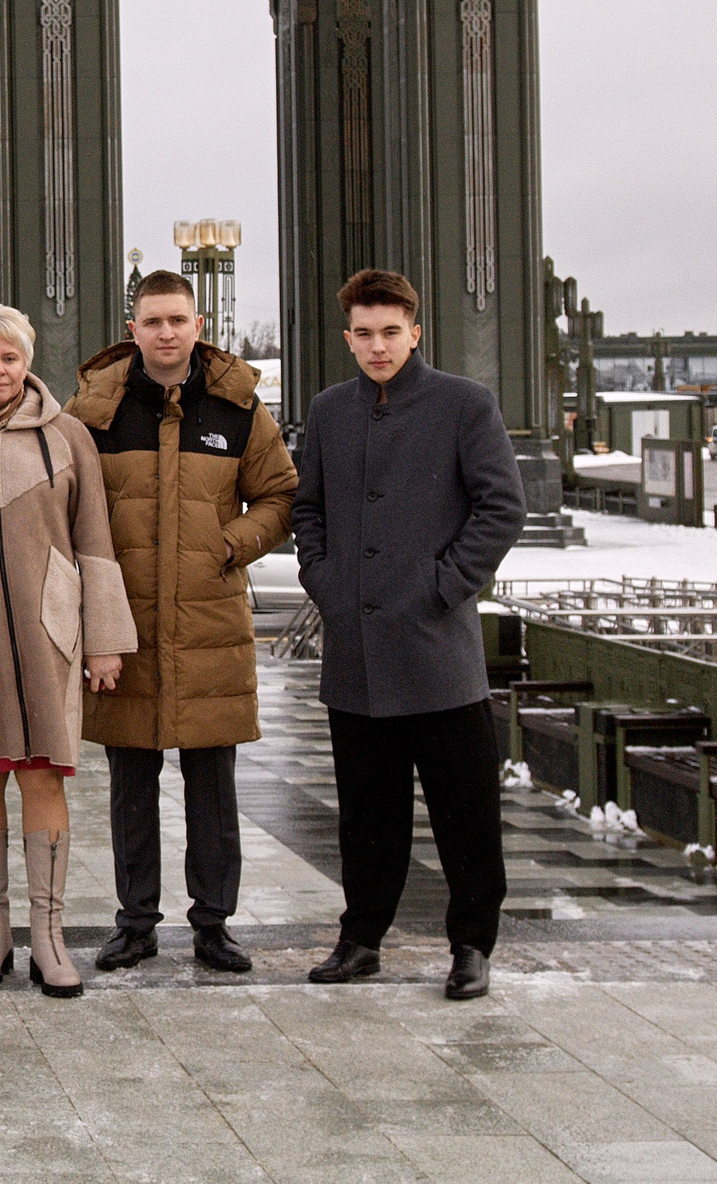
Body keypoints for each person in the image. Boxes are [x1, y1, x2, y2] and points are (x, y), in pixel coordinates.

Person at [292, 267, 526, 1001]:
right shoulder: (331, 411)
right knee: (366, 812)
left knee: (465, 809)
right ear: (348, 338)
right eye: (363, 333)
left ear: (415, 331)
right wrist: (325, 581)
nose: (377, 345)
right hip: (357, 649)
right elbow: (310, 510)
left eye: (391, 331)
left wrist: (442, 587)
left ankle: (471, 944)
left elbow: (502, 508)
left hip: (437, 648)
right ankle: (362, 937)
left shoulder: (464, 404)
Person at [69, 270, 296, 976]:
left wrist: (230, 543)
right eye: (153, 320)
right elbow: (67, 502)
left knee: (212, 783)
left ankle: (213, 923)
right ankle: (135, 921)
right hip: (126, 623)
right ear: (132, 329)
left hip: (208, 626)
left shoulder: (237, 408)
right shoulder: (95, 411)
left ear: (198, 325)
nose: (166, 332)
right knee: (130, 784)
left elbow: (280, 494)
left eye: (178, 319)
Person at [0, 303, 134, 997]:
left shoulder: (67, 436)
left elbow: (95, 539)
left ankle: (48, 937)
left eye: (9, 358)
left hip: (50, 638)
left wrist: (103, 639)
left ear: (27, 361)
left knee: (43, 775)